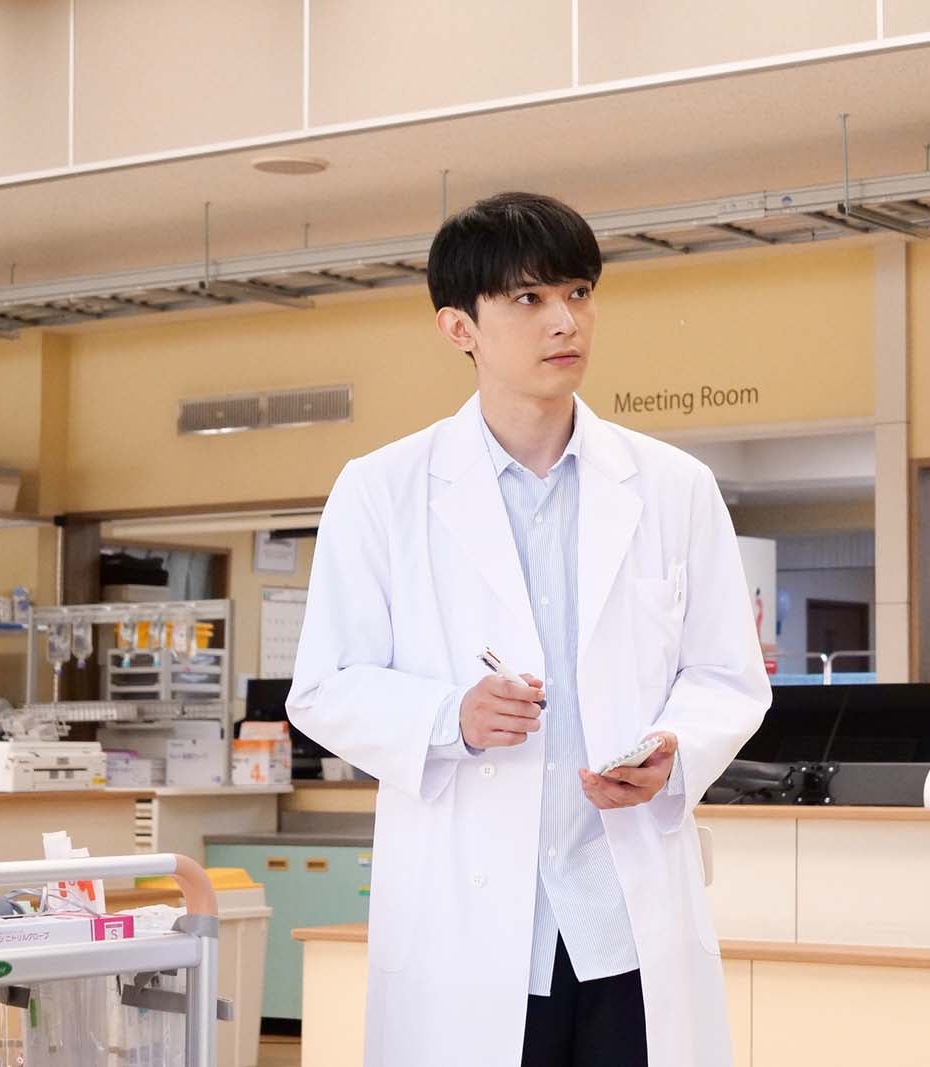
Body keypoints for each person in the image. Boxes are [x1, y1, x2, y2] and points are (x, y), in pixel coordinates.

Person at [287, 192, 770, 1067]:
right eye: (528, 298)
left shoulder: (674, 486)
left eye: (579, 293)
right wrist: (451, 716)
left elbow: (726, 674)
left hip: (622, 914)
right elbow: (324, 685)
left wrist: (674, 748)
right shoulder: (382, 489)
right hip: (469, 924)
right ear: (458, 328)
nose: (564, 320)